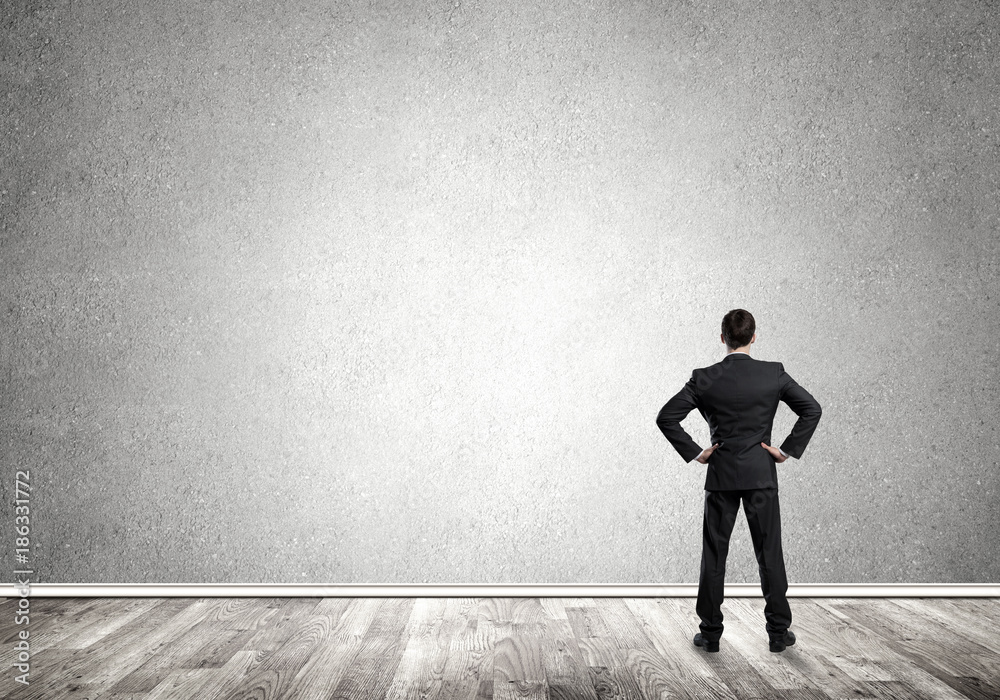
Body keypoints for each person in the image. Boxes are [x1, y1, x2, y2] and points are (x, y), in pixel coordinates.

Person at [656, 309, 822, 653]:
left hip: (721, 476)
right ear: (754, 336)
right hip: (761, 473)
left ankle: (711, 634)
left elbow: (666, 417)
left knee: (714, 557)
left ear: (722, 338)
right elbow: (812, 408)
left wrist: (697, 452)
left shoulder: (703, 378)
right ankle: (778, 633)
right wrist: (785, 450)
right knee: (769, 554)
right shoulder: (772, 373)